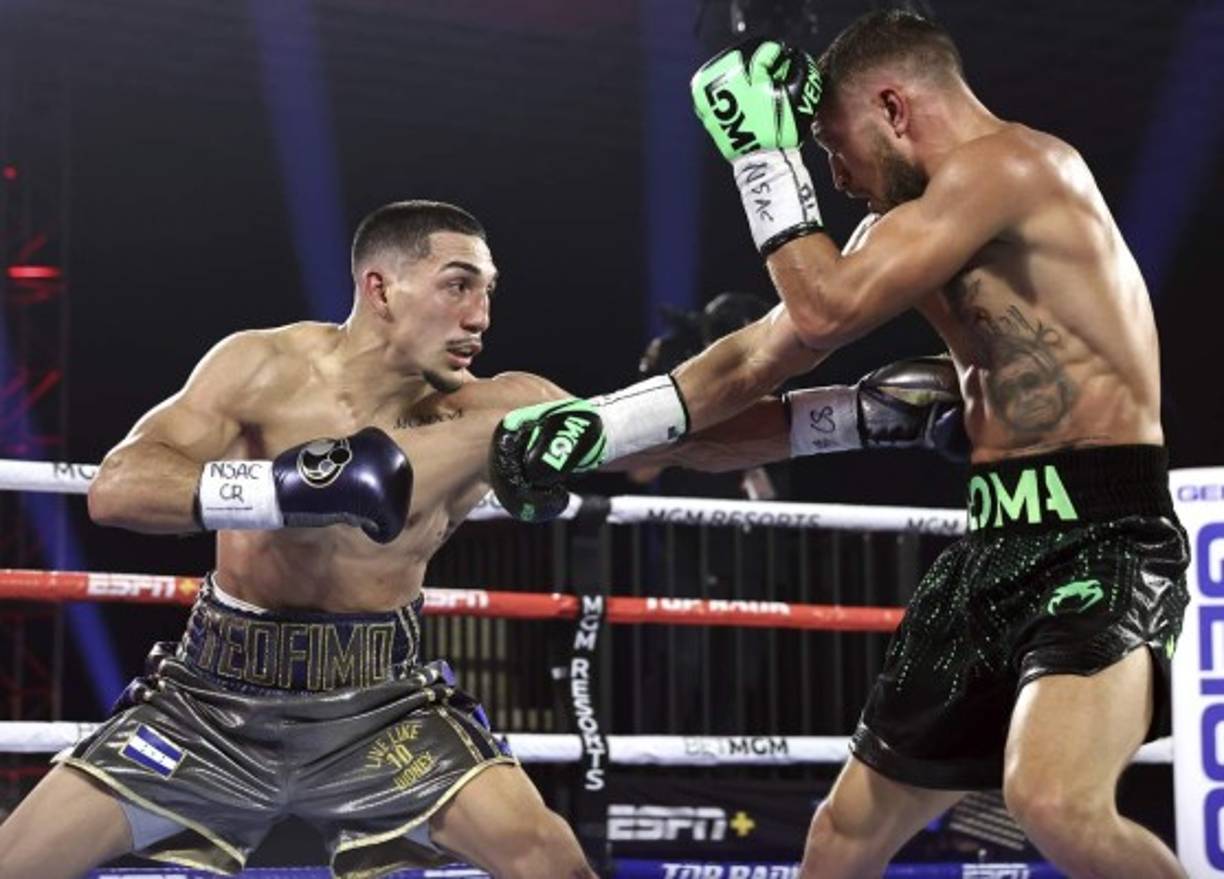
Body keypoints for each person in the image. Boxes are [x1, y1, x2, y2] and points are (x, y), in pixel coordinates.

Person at [492, 10, 1189, 878]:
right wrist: (602, 429)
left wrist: (761, 154)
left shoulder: (1015, 166)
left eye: (832, 146)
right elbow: (753, 358)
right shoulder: (901, 229)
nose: (837, 176)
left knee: (1052, 800)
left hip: (1102, 538)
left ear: (895, 108)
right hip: (992, 547)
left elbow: (824, 305)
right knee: (841, 838)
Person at [0, 200, 599, 879]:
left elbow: (653, 436)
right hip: (209, 702)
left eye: (489, 290)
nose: (481, 316)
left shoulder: (493, 408)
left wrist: (745, 348)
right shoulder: (263, 366)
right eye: (460, 285)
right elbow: (119, 487)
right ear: (381, 288)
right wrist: (287, 491)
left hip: (384, 706)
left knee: (552, 862)